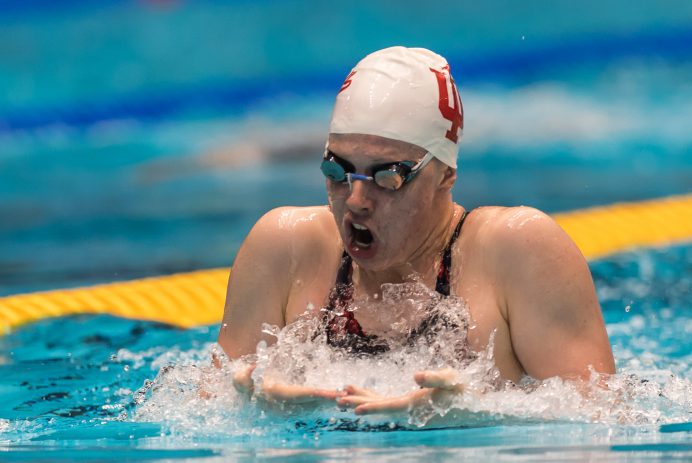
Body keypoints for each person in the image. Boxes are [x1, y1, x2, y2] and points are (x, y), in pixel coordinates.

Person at [217, 46, 615, 415]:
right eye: (337, 171)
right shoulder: (284, 248)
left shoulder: (517, 250)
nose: (355, 200)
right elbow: (200, 410)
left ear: (446, 175)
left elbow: (604, 420)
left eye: (388, 176)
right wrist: (257, 413)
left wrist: (470, 414)